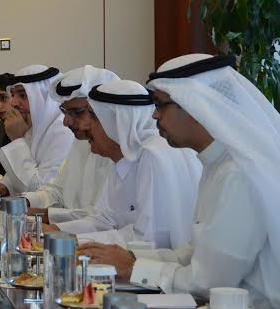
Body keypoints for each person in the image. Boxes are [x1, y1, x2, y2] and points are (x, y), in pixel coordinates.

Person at [79, 54, 280, 309]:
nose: (154, 114)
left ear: (196, 105)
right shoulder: (217, 163)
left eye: (161, 105)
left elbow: (209, 281)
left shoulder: (239, 173)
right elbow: (195, 253)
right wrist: (130, 258)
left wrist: (134, 268)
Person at [50, 80, 201, 250]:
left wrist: (71, 240)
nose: (85, 125)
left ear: (117, 123)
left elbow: (148, 240)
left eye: (93, 117)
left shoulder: (152, 155)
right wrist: (56, 232)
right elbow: (104, 220)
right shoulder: (123, 158)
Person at [24, 65, 118, 223]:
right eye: (65, 111)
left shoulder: (123, 151)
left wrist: (46, 216)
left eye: (77, 112)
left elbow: (104, 218)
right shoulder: (81, 141)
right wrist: (24, 202)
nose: (66, 122)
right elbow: (57, 191)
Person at [0, 65, 74, 194]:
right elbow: (23, 175)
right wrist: (5, 186)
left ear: (44, 97)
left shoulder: (64, 131)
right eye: (13, 95)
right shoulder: (35, 126)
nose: (14, 103)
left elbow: (40, 190)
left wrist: (17, 140)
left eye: (22, 95)